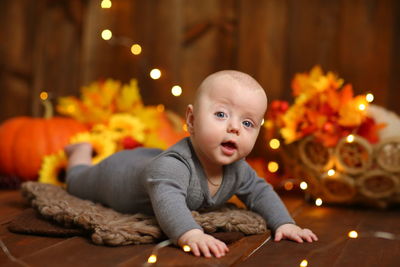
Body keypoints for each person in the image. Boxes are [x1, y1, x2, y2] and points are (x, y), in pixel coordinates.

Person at [65, 70, 318, 258]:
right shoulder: (172, 167)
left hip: (148, 159)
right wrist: (191, 233)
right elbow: (169, 203)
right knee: (77, 181)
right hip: (116, 175)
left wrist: (284, 223)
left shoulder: (238, 169)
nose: (234, 128)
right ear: (192, 120)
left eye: (248, 123)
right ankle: (80, 152)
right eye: (221, 114)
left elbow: (260, 192)